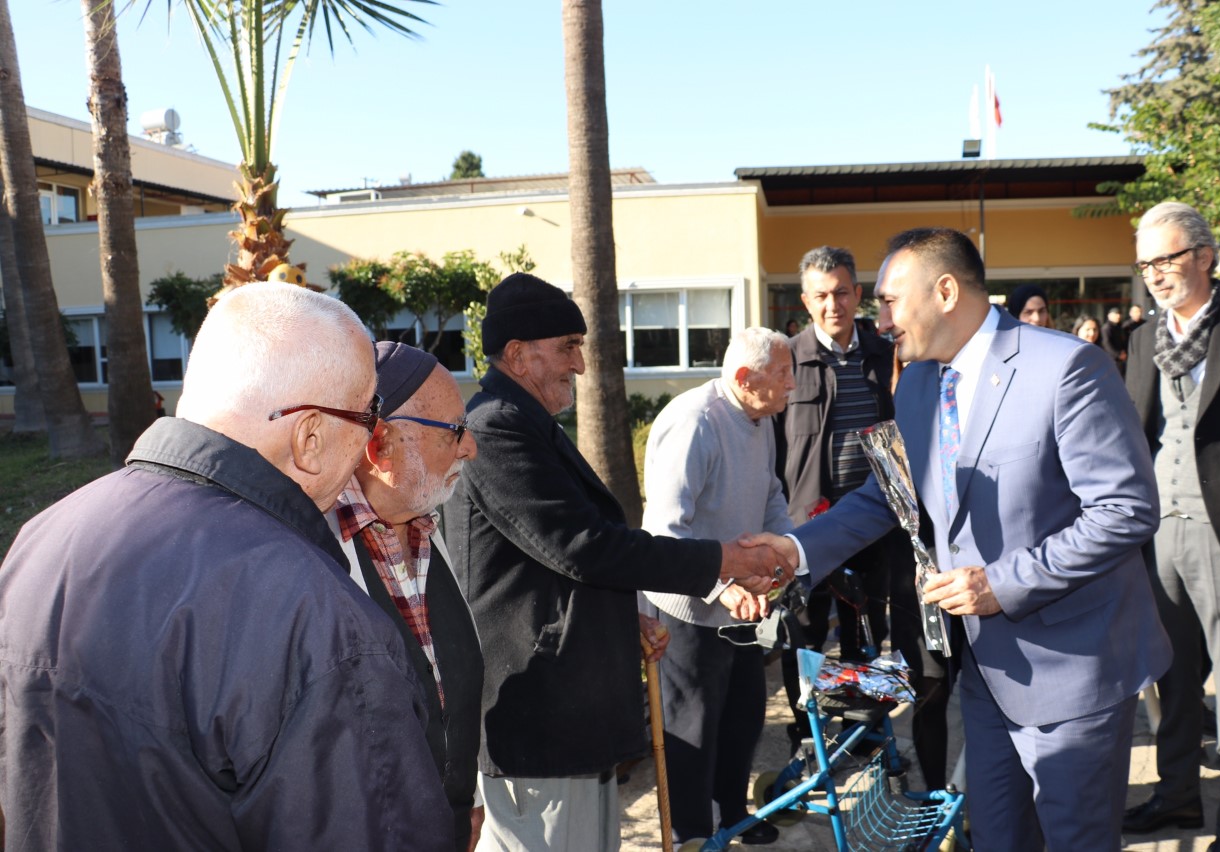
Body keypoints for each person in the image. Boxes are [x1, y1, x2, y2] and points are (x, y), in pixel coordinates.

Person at [748, 227, 1170, 850]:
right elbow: (888, 497)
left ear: (944, 291)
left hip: (1074, 671)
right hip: (985, 673)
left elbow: (1125, 511)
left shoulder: (1066, 367)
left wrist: (1003, 582)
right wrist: (795, 549)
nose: (881, 320)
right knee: (997, 836)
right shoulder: (918, 383)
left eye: (890, 300)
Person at [0, 282, 454, 851]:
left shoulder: (44, 536)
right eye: (370, 415)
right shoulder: (313, 611)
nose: (371, 439)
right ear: (310, 436)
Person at [442, 273, 788, 852]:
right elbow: (585, 548)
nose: (579, 365)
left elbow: (556, 557)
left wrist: (622, 622)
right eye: (568, 348)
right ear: (519, 355)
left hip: (569, 718)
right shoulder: (497, 428)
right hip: (539, 721)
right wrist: (722, 561)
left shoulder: (527, 422)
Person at [1122, 201, 1220, 851]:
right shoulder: (1139, 338)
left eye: (1168, 258)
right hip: (1159, 531)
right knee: (1171, 675)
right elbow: (1134, 437)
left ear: (1206, 256)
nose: (1156, 273)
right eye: (1146, 262)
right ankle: (1177, 796)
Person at [775, 245, 951, 791]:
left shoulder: (887, 354)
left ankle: (865, 729)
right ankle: (811, 737)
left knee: (867, 634)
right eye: (822, 295)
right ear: (807, 301)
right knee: (803, 638)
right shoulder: (790, 360)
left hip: (881, 526)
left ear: (857, 294)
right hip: (811, 529)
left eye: (843, 292)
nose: (834, 305)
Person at [328, 342, 485, 852]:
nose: (470, 449)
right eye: (455, 431)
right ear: (380, 446)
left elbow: (450, 679)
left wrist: (468, 796)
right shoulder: (312, 554)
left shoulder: (425, 526)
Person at [641, 327, 795, 846]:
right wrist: (719, 584)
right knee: (692, 729)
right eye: (784, 373)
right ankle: (691, 835)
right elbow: (665, 531)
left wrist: (784, 551)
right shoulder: (695, 422)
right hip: (688, 607)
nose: (793, 384)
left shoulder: (760, 415)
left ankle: (732, 813)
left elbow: (772, 493)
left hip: (745, 603)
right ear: (746, 378)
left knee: (744, 714)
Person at [1100, 306, 1129, 374]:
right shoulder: (1106, 328)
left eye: (1119, 314)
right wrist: (1118, 355)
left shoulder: (1120, 327)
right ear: (1109, 315)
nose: (1118, 316)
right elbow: (1106, 344)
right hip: (1112, 359)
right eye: (1115, 314)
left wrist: (1124, 353)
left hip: (1121, 358)